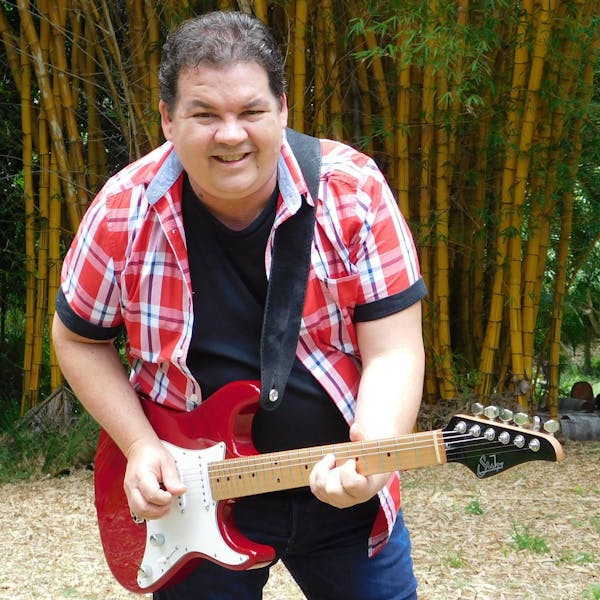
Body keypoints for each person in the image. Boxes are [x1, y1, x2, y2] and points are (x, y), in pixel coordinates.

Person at [52, 10, 426, 600]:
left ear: (282, 110)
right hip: (191, 502)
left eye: (251, 112)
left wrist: (375, 449)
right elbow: (76, 337)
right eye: (205, 114)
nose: (230, 135)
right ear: (167, 119)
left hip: (340, 488)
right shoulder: (123, 210)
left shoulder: (353, 191)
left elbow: (395, 350)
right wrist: (139, 445)